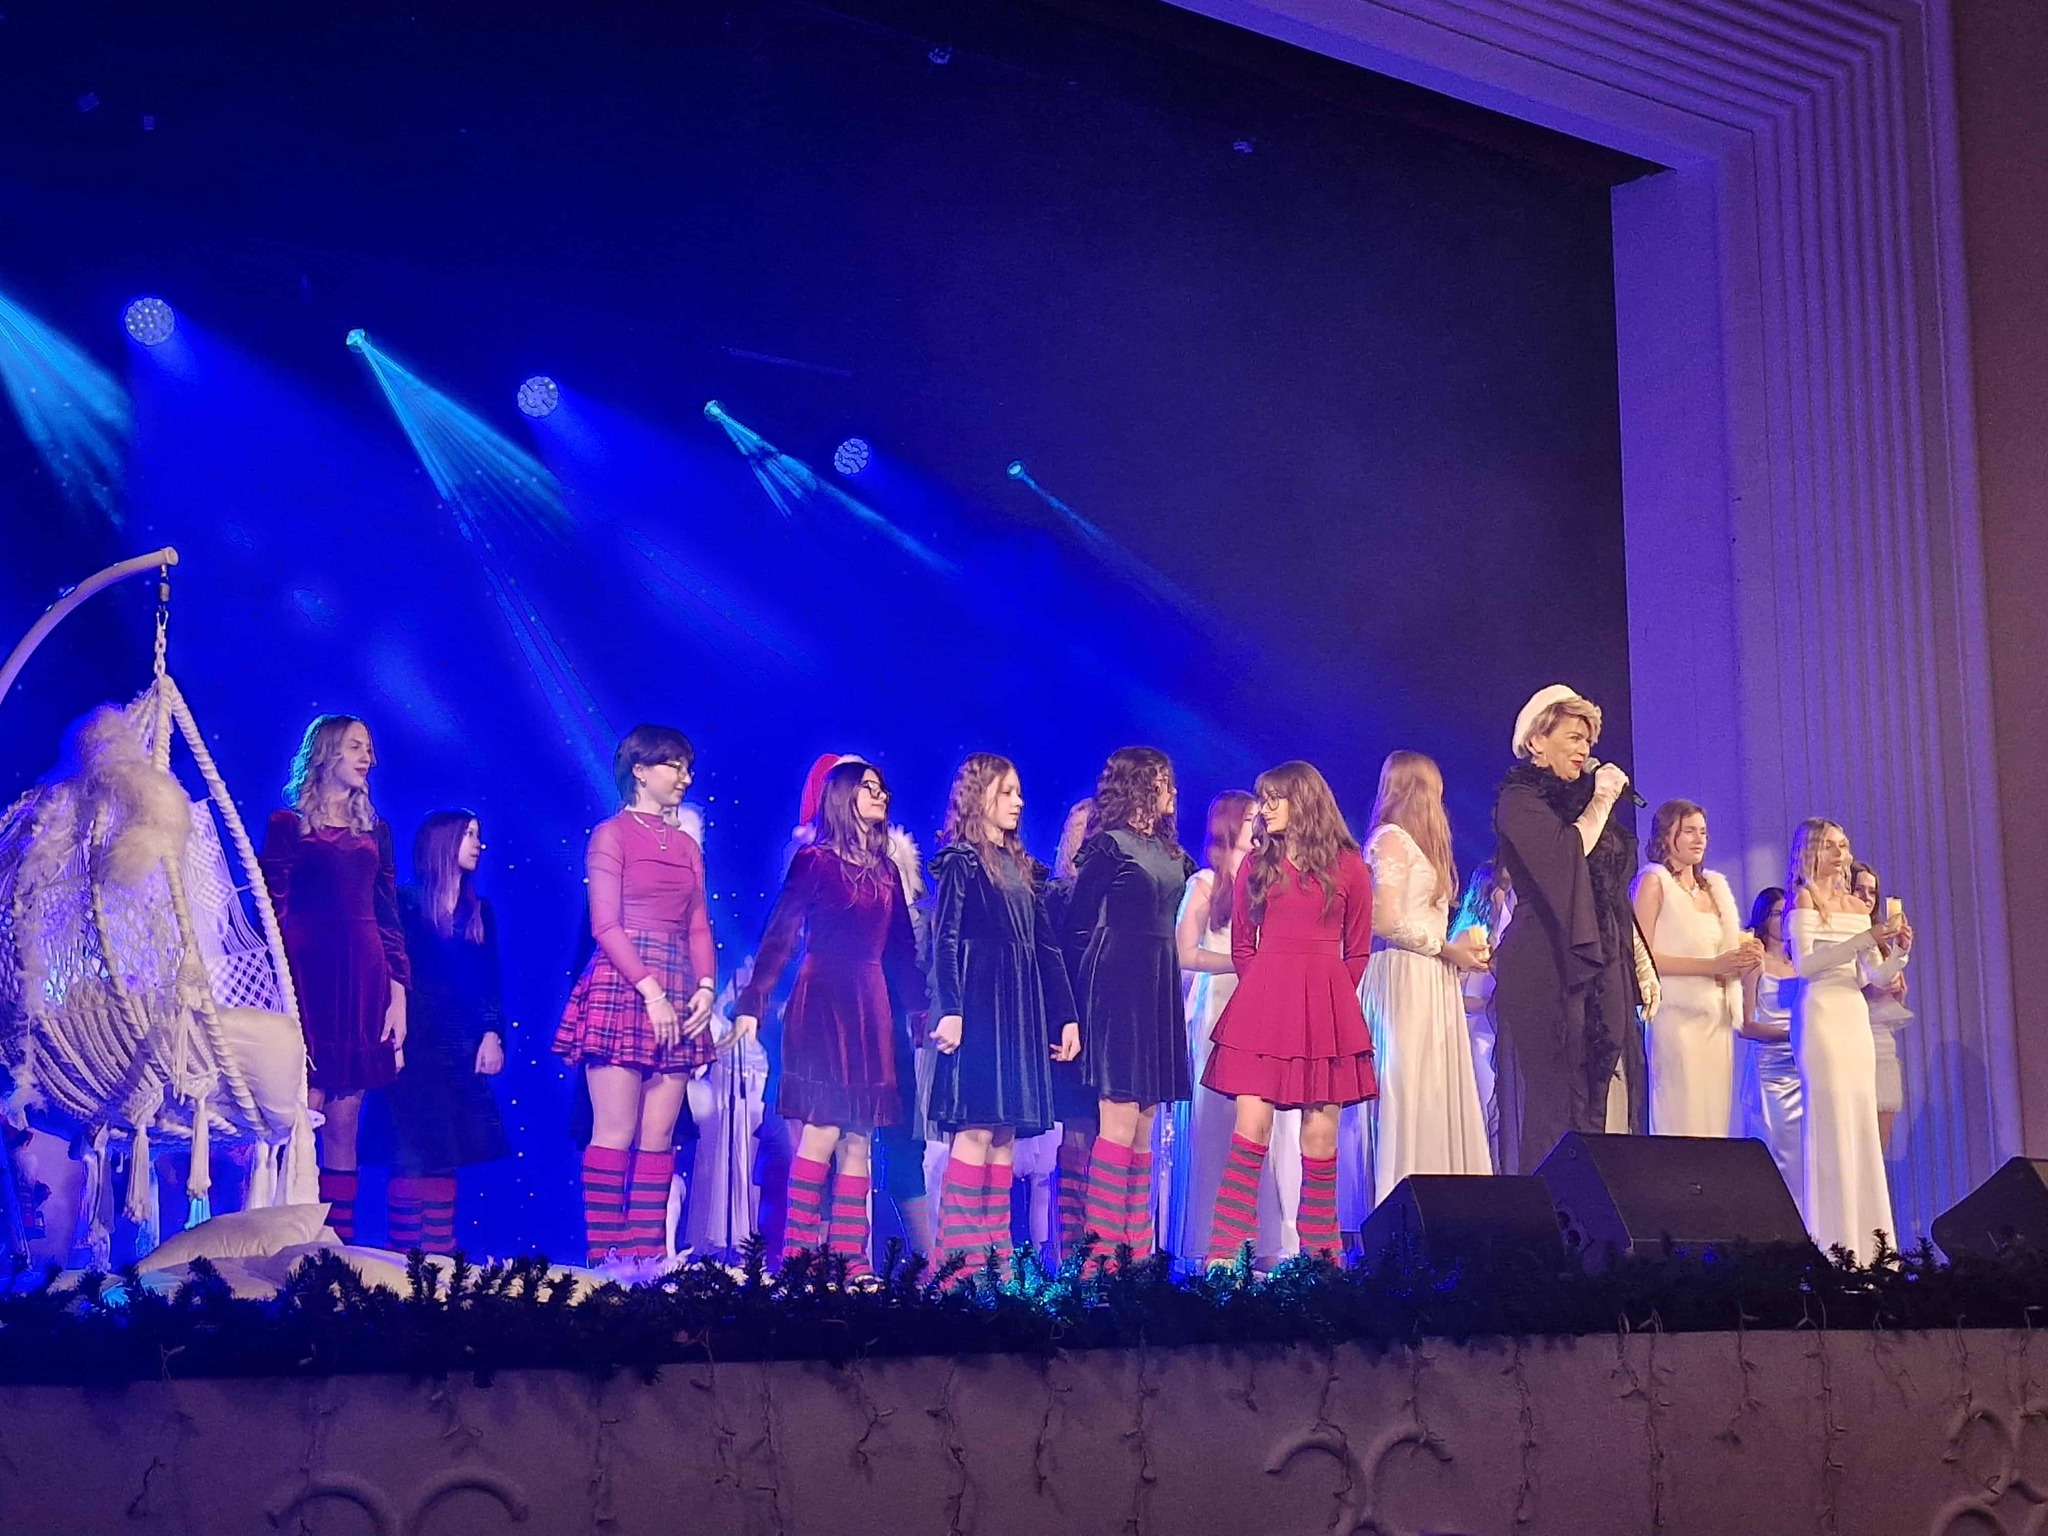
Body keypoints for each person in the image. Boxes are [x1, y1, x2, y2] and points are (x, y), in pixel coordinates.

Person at [735, 761, 925, 1276]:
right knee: (822, 1130)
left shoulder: (886, 871)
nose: (880, 794)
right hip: (822, 1002)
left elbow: (902, 949)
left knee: (859, 1139)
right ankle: (800, 1257)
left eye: (883, 787)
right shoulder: (814, 861)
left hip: (870, 1004)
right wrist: (753, 1001)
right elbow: (780, 933)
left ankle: (850, 1260)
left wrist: (921, 1009)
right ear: (842, 796)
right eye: (868, 787)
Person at [552, 724, 716, 1269]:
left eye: (688, 767)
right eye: (674, 765)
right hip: (625, 985)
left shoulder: (687, 846)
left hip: (677, 982)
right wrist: (651, 992)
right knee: (616, 1130)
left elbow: (698, 926)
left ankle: (646, 1262)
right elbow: (605, 924)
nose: (685, 777)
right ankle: (607, 1263)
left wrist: (705, 988)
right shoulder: (611, 834)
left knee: (659, 1135)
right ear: (640, 771)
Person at [1200, 761, 1376, 1263]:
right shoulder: (1257, 866)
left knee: (1319, 1138)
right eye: (1263, 799)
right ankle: (1225, 1255)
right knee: (1250, 1129)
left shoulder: (1349, 867)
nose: (1266, 808)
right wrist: (1265, 992)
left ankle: (1320, 1259)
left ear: (1306, 801)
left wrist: (1330, 999)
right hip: (1264, 1012)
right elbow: (1242, 945)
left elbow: (1357, 950)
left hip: (1325, 1013)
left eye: (1275, 798)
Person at [926, 754, 1081, 1264]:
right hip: (979, 1001)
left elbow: (1047, 947)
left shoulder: (1023, 867)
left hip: (1019, 1007)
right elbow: (946, 939)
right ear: (980, 796)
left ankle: (994, 1257)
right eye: (1007, 792)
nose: (1019, 801)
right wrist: (950, 1008)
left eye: (1018, 792)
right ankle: (959, 1260)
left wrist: (1065, 1015)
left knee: (1004, 1135)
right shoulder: (963, 861)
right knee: (975, 1128)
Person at [260, 715, 410, 1243]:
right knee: (303, 1114)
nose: (368, 758)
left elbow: (389, 916)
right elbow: (271, 908)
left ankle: (337, 1247)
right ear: (327, 752)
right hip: (308, 978)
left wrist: (398, 995)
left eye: (369, 748)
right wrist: (280, 987)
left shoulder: (376, 830)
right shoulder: (289, 824)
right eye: (356, 747)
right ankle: (287, 1242)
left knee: (346, 1123)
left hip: (364, 976)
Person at [1489, 685, 1645, 1174]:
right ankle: (1547, 1209)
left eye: (1588, 741)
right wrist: (1601, 799)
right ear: (1538, 740)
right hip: (1545, 963)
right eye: (1574, 738)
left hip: (1600, 963)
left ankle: (1588, 1209)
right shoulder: (1519, 801)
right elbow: (1564, 855)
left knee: (1594, 1099)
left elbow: (1610, 890)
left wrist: (1641, 962)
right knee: (1555, 1103)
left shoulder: (1582, 798)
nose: (1585, 750)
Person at [1066, 747, 1196, 1262]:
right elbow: (1076, 926)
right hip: (1117, 985)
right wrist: (1076, 1010)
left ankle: (1135, 1253)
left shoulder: (1171, 853)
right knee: (1118, 1121)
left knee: (1145, 1126)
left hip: (1158, 986)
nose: (1173, 790)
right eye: (1163, 781)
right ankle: (1100, 1255)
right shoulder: (1109, 848)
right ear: (1140, 785)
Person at [1172, 791, 1305, 1261]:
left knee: (1268, 1127)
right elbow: (1183, 953)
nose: (1260, 823)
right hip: (1219, 1005)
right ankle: (1219, 1243)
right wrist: (1241, 962)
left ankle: (1269, 1240)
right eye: (1251, 817)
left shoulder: (1268, 879)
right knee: (1218, 1124)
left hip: (1266, 1005)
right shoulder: (1206, 883)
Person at [1358, 751, 1492, 1205]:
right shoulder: (1390, 839)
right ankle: (1399, 1198)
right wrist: (1445, 948)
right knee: (1407, 1083)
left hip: (1431, 976)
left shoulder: (1417, 846)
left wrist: (1458, 949)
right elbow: (1382, 920)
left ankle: (1442, 1199)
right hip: (1403, 976)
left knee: (1432, 1087)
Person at [376, 811, 510, 1252]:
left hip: (459, 1046)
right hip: (413, 1043)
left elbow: (489, 980)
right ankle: (401, 1255)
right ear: (443, 842)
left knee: (447, 1148)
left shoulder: (479, 911)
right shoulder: (405, 904)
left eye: (478, 835)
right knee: (410, 1148)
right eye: (469, 835)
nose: (477, 844)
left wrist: (492, 1033)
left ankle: (439, 1254)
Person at [1785, 818, 1911, 1262]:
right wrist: (1865, 938)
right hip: (1820, 1014)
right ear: (1812, 851)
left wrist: (1899, 951)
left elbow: (1873, 974)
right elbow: (1805, 965)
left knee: (1859, 1121)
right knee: (1830, 1119)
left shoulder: (1856, 908)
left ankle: (1871, 1248)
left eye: (1844, 845)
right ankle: (1830, 1245)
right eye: (1831, 846)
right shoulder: (1804, 898)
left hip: (1853, 1016)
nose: (1841, 854)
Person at [1631, 799, 1758, 1137]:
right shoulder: (1654, 881)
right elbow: (1640, 956)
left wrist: (1746, 955)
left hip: (1715, 1018)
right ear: (1666, 835)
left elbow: (1723, 950)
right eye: (1689, 831)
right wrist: (1711, 965)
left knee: (1714, 1119)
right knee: (1681, 1114)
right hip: (1677, 1017)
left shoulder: (1714, 887)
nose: (1699, 838)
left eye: (1703, 831)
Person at [1042, 797, 1097, 1262]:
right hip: (1069, 1022)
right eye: (1078, 830)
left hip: (1109, 1022)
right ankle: (1073, 1247)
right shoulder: (1056, 897)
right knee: (1077, 1131)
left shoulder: (1114, 897)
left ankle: (1109, 1246)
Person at [1736, 887, 1803, 1201]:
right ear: (1764, 917)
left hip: (1801, 1066)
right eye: (1777, 913)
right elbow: (1744, 1025)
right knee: (1776, 1151)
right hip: (1771, 1071)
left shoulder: (1798, 960)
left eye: (1787, 913)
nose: (1784, 919)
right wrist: (1790, 1035)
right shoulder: (1755, 960)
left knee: (1804, 1155)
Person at [1452, 861, 1514, 1166]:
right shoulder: (1469, 937)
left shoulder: (1508, 938)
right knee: (1483, 1108)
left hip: (1498, 1034)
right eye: (1504, 889)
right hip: (1476, 1036)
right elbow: (1453, 996)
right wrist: (1488, 1004)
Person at [1849, 860, 1913, 1154]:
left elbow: (1890, 998)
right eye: (1859, 889)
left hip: (1882, 1044)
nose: (1866, 897)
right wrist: (1869, 990)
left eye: (1872, 892)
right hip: (1853, 1040)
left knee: (1879, 1145)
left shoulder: (1881, 943)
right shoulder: (1843, 939)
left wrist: (1897, 992)